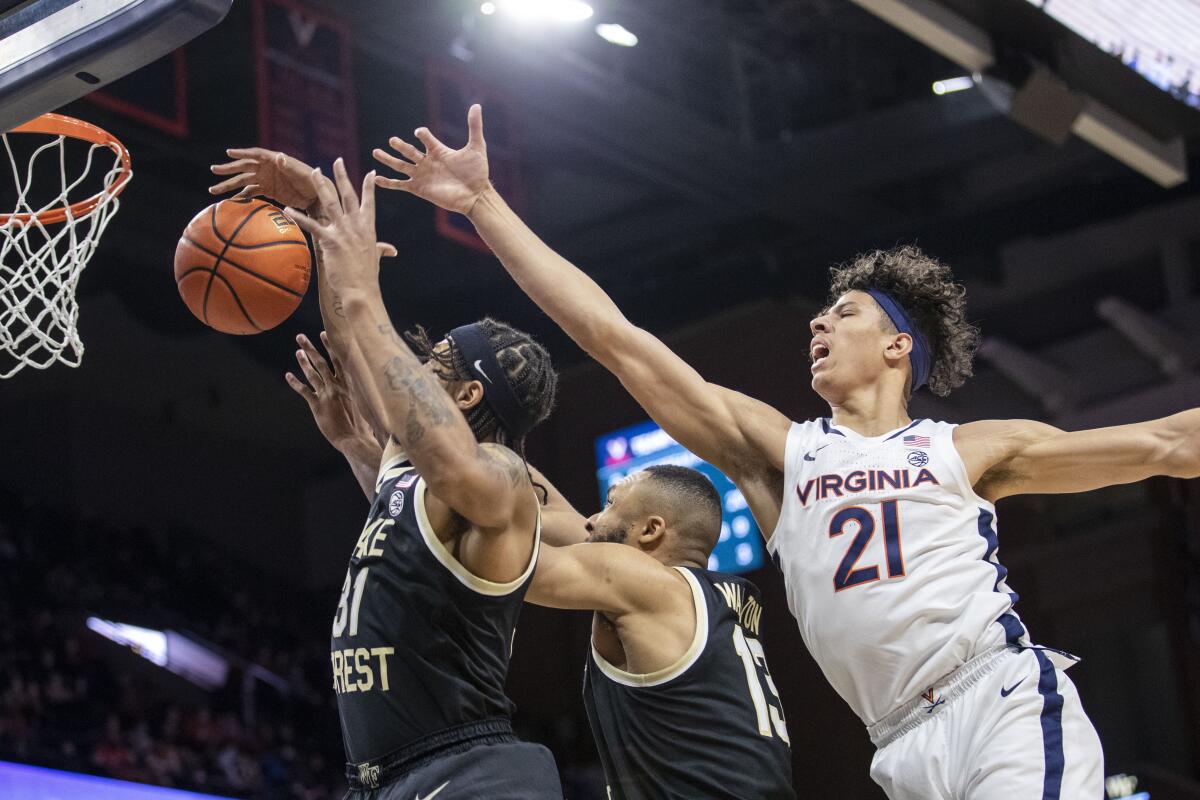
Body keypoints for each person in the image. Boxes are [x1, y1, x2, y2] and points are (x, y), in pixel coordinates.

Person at [372, 104, 1200, 799]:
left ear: (898, 346)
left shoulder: (971, 449)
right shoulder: (780, 454)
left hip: (1001, 697)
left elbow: (1165, 443)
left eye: (843, 313)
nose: (818, 323)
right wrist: (484, 203)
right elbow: (614, 338)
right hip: (899, 744)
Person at [209, 153, 563, 799]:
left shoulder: (505, 480)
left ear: (466, 397)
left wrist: (363, 286)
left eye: (441, 360)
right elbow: (352, 344)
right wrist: (322, 224)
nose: (422, 362)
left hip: (473, 772)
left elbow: (434, 432)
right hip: (388, 776)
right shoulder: (408, 466)